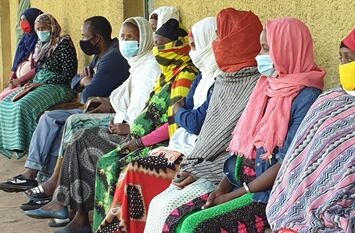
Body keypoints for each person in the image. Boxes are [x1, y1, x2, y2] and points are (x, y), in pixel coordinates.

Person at [24, 18, 198, 233]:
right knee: (78, 135)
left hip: (150, 139)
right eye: (156, 44)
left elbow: (172, 125)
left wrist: (135, 136)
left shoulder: (179, 74)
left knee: (88, 143)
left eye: (130, 37)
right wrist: (114, 109)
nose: (158, 50)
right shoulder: (165, 72)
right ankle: (73, 212)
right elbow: (136, 104)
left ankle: (81, 215)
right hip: (134, 130)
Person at [162, 17, 326, 233]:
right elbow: (242, 147)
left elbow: (286, 162)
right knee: (174, 218)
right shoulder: (265, 87)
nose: (259, 55)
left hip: (266, 196)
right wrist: (222, 188)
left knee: (196, 226)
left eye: (266, 48)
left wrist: (232, 195)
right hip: (239, 183)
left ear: (286, 49)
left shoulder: (306, 97)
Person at [265, 24, 355, 233]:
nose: (343, 64)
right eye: (341, 57)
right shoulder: (329, 100)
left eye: (350, 58)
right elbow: (301, 161)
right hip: (304, 209)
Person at [144, 8, 263, 233]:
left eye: (221, 36)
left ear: (239, 40)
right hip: (200, 162)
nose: (216, 43)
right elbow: (209, 130)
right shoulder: (224, 79)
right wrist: (194, 165)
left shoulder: (256, 83)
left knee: (172, 211)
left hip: (223, 171)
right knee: (158, 204)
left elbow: (233, 144)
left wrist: (199, 168)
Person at [95, 16, 219, 233]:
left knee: (127, 169)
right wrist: (182, 114)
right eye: (155, 45)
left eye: (196, 45)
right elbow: (181, 115)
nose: (157, 50)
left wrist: (180, 114)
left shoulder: (192, 75)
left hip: (186, 149)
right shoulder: (196, 76)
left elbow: (192, 120)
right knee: (112, 163)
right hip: (174, 142)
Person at [0, 16, 130, 195]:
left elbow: (86, 94)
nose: (82, 40)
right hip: (92, 108)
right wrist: (84, 80)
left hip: (104, 113)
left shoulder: (112, 58)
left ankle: (49, 182)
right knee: (48, 118)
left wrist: (85, 82)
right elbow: (76, 80)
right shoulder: (101, 55)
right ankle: (33, 174)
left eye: (85, 36)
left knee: (63, 126)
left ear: (97, 39)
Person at [0, 13, 77, 160]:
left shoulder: (64, 43)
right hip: (38, 83)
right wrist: (32, 83)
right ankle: (13, 145)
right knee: (5, 103)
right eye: (38, 29)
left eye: (44, 28)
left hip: (58, 86)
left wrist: (43, 83)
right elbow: (39, 70)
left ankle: (31, 149)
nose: (41, 32)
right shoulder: (40, 46)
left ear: (52, 27)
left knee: (22, 106)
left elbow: (69, 74)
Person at [0, 8, 43, 100]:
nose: (22, 23)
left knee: (3, 98)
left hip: (29, 83)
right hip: (18, 83)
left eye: (25, 20)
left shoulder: (40, 42)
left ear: (33, 20)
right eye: (21, 20)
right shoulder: (25, 39)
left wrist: (20, 80)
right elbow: (18, 58)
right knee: (2, 96)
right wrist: (13, 75)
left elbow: (38, 67)